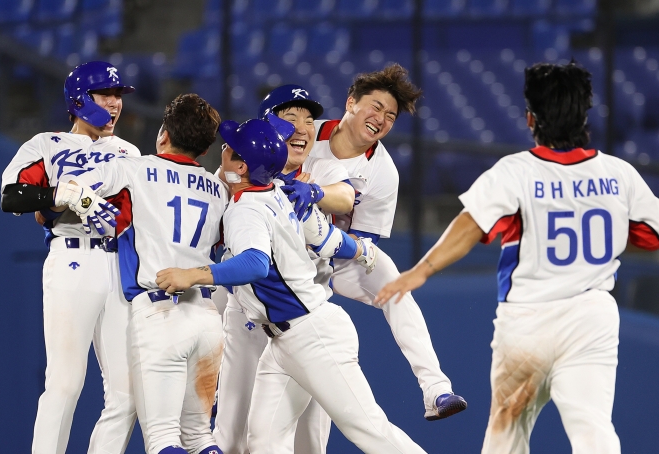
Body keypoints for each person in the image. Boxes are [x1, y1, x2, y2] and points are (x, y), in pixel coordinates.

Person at [374, 61, 659, 454]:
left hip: (529, 320)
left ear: (530, 119)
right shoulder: (620, 174)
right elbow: (651, 235)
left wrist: (422, 270)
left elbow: (470, 225)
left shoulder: (516, 171)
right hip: (592, 318)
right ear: (584, 117)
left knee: (507, 432)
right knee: (593, 428)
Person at [156, 117, 427, 454]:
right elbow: (326, 238)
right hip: (287, 339)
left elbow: (255, 263)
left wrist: (194, 274)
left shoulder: (245, 209)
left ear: (240, 166)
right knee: (265, 442)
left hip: (311, 335)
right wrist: (361, 249)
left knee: (370, 430)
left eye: (229, 148)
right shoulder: (281, 191)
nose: (222, 150)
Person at [61, 93, 227, 454]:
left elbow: (69, 186)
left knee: (164, 440)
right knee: (201, 438)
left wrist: (90, 207)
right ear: (204, 146)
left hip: (159, 312)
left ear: (163, 133)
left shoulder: (134, 168)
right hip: (207, 317)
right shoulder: (220, 190)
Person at [212, 85, 374, 454]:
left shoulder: (319, 167)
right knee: (240, 432)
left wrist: (315, 194)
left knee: (313, 441)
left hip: (308, 314)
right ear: (270, 129)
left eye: (309, 119)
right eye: (291, 119)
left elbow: (344, 202)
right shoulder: (234, 174)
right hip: (253, 313)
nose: (302, 128)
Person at [309, 63, 467, 420]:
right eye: (376, 107)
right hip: (279, 249)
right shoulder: (308, 132)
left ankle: (436, 388)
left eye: (391, 116)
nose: (381, 119)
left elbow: (363, 245)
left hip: (333, 257)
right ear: (351, 102)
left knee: (394, 283)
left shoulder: (383, 172)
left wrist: (322, 241)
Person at [0, 61, 140, 454]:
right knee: (64, 382)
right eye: (106, 95)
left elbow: (130, 214)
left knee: (127, 391)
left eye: (118, 96)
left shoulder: (128, 151)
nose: (115, 104)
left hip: (118, 263)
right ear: (80, 100)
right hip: (72, 259)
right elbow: (11, 196)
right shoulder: (47, 144)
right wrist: (58, 194)